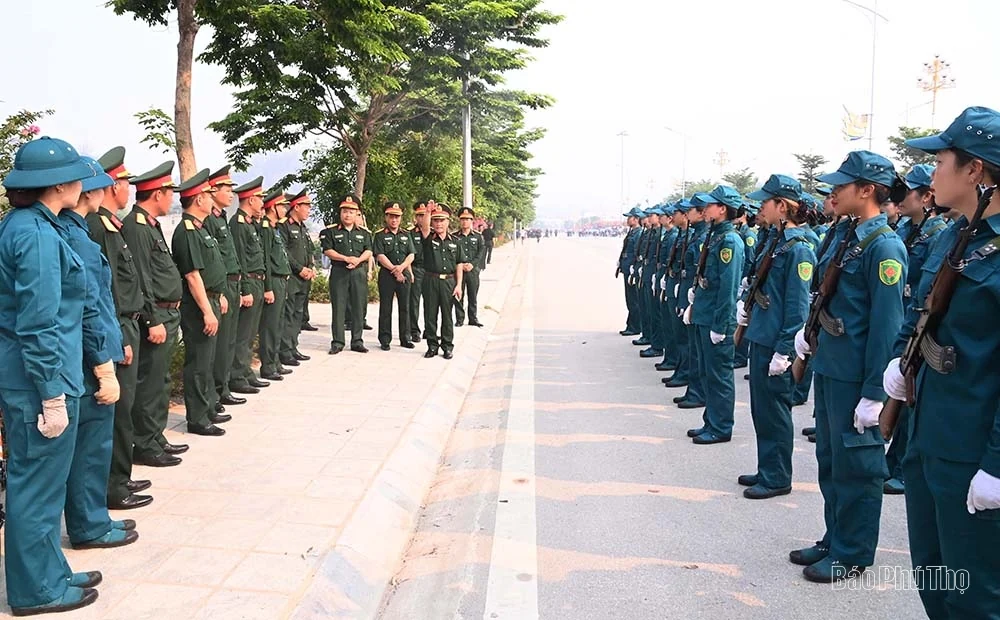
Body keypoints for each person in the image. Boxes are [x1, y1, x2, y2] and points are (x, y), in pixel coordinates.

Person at [883, 106, 1000, 619]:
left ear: (975, 170)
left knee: (976, 597)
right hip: (927, 435)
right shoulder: (956, 235)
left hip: (973, 452)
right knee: (932, 576)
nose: (932, 172)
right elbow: (924, 310)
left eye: (940, 161)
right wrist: (899, 360)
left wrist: (996, 466)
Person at [791, 150, 906, 583]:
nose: (833, 192)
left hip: (857, 375)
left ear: (867, 190)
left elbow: (886, 327)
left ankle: (853, 552)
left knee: (857, 467)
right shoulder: (847, 235)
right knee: (831, 460)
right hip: (831, 367)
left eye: (842, 186)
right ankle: (834, 537)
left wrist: (875, 393)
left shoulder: (884, 247)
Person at [0, 136, 101, 615]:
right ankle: (36, 590)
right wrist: (51, 394)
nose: (82, 183)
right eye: (75, 176)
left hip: (40, 374)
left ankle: (50, 571)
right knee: (36, 487)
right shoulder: (36, 234)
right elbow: (39, 321)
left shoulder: (32, 224)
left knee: (45, 484)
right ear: (58, 184)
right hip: (39, 379)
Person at [59, 156, 137, 553]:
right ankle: (89, 525)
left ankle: (93, 518)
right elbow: (90, 306)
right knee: (91, 448)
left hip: (92, 351)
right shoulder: (77, 237)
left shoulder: (76, 231)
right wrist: (103, 364)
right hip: (90, 360)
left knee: (92, 446)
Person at [737, 175, 816, 498]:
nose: (760, 208)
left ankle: (778, 476)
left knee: (775, 412)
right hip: (762, 335)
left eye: (765, 202)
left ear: (782, 206)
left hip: (776, 343)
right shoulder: (777, 241)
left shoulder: (799, 250)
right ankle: (767, 467)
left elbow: (798, 308)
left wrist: (785, 351)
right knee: (762, 411)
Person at [88, 147, 153, 510]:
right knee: (119, 411)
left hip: (127, 322)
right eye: (126, 183)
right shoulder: (100, 227)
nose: (130, 189)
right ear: (113, 186)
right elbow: (106, 287)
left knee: (125, 409)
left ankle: (121, 476)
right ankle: (113, 486)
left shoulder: (112, 224)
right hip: (119, 325)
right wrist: (118, 336)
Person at [882, 163, 946, 496]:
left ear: (926, 197)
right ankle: (893, 461)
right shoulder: (905, 230)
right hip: (905, 317)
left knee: (910, 397)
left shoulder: (938, 234)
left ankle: (901, 470)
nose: (900, 198)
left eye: (908, 192)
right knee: (898, 389)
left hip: (921, 320)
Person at [122, 161, 187, 468]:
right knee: (149, 383)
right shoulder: (136, 227)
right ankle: (145, 443)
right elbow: (141, 278)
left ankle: (155, 435)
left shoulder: (150, 224)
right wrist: (153, 319)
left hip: (167, 313)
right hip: (157, 314)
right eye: (169, 193)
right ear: (158, 194)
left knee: (160, 379)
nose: (172, 198)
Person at [684, 185, 745, 445]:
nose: (704, 209)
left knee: (719, 376)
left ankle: (721, 427)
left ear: (722, 209)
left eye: (710, 205)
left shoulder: (730, 241)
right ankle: (711, 421)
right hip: (704, 314)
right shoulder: (715, 236)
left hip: (716, 319)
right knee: (707, 373)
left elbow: (728, 288)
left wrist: (720, 325)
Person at [171, 169, 229, 437]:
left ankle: (207, 408)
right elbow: (193, 276)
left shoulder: (201, 228)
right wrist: (207, 311)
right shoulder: (187, 231)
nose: (211, 198)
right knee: (198, 363)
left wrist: (220, 296)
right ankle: (197, 418)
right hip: (198, 306)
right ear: (198, 199)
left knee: (207, 361)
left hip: (212, 299)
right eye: (207, 194)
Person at [205, 167, 246, 410]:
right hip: (222, 286)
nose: (231, 195)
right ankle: (217, 391)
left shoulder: (221, 217)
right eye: (227, 190)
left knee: (229, 341)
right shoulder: (209, 219)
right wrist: (220, 292)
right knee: (219, 345)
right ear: (213, 191)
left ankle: (224, 387)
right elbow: (213, 261)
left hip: (232, 283)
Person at [228, 177, 270, 393]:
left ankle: (245, 371)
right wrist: (245, 289)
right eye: (260, 198)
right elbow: (240, 258)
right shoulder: (238, 224)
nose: (263, 203)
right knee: (243, 334)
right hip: (249, 282)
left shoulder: (250, 223)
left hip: (257, 281)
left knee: (250, 332)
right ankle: (237, 375)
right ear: (251, 200)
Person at [672, 194, 710, 409]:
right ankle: (692, 388)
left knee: (695, 349)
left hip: (698, 297)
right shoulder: (697, 234)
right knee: (689, 344)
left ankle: (697, 391)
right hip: (689, 292)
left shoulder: (705, 237)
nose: (687, 214)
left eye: (691, 210)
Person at [321, 194, 373, 354]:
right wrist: (345, 258)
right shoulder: (330, 231)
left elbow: (369, 250)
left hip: (358, 272)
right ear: (340, 213)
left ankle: (357, 341)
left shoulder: (364, 233)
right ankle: (337, 342)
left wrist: (358, 260)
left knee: (358, 307)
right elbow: (327, 250)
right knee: (339, 307)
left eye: (351, 212)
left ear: (357, 213)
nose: (348, 215)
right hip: (339, 272)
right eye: (345, 211)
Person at [258, 189, 294, 379]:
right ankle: (268, 365)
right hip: (273, 281)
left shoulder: (273, 227)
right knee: (270, 326)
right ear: (273, 207)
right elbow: (265, 259)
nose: (285, 209)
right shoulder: (265, 228)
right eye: (282, 206)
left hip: (281, 280)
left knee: (278, 324)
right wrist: (268, 287)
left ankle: (275, 361)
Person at [422, 203, 465, 359]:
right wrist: (428, 212)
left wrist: (459, 285)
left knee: (447, 315)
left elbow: (459, 264)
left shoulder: (455, 241)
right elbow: (424, 228)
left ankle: (447, 346)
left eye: (442, 220)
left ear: (448, 222)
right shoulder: (429, 238)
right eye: (436, 220)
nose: (439, 223)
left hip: (448, 282)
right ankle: (432, 346)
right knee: (430, 315)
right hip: (431, 280)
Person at [279, 190, 316, 366]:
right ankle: (285, 351)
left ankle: (293, 347)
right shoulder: (284, 225)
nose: (309, 210)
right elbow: (284, 251)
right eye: (306, 207)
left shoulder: (303, 227)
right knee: (288, 314)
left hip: (304, 279)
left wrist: (311, 267)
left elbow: (309, 250)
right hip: (292, 277)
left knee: (298, 314)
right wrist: (299, 269)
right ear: (296, 207)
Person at [374, 201, 416, 350]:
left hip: (404, 274)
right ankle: (385, 339)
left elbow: (411, 254)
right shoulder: (380, 235)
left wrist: (402, 268)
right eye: (391, 216)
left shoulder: (406, 234)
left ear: (401, 218)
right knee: (386, 308)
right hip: (387, 274)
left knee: (405, 307)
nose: (394, 220)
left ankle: (405, 338)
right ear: (386, 217)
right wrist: (394, 269)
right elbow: (379, 255)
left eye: (397, 217)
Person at [661, 200, 691, 387]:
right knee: (676, 332)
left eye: (676, 213)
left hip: (683, 288)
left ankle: (684, 372)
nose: (672, 216)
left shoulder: (691, 236)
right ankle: (679, 369)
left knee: (683, 336)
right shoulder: (681, 234)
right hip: (676, 286)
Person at [732, 200, 759, 370]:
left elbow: (749, 261)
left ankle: (741, 356)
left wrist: (744, 281)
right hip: (741, 282)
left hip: (745, 283)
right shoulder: (739, 232)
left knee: (742, 319)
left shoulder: (748, 235)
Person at [654, 203, 679, 371]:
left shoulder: (673, 236)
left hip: (673, 283)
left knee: (672, 326)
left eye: (662, 215)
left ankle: (673, 360)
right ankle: (670, 358)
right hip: (666, 280)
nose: (659, 218)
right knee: (666, 323)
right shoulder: (670, 235)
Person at [453, 207, 486, 328]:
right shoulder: (454, 237)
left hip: (473, 270)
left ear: (472, 221)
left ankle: (473, 318)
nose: (465, 222)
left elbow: (481, 252)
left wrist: (472, 264)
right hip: (459, 270)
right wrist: (460, 265)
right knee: (459, 295)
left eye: (467, 219)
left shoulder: (478, 237)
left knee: (473, 295)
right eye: (462, 219)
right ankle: (459, 319)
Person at [408, 201, 432, 343]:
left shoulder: (433, 233)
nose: (422, 218)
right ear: (416, 217)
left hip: (429, 270)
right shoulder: (409, 233)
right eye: (419, 216)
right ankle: (414, 331)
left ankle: (429, 330)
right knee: (414, 302)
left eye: (424, 215)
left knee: (430, 302)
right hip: (415, 269)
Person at [617, 207, 643, 336]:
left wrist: (634, 267)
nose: (628, 220)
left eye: (630, 217)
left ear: (636, 219)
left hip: (632, 270)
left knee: (633, 300)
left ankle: (635, 326)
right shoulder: (632, 232)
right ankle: (631, 324)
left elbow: (637, 252)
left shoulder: (638, 233)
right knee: (630, 299)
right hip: (627, 268)